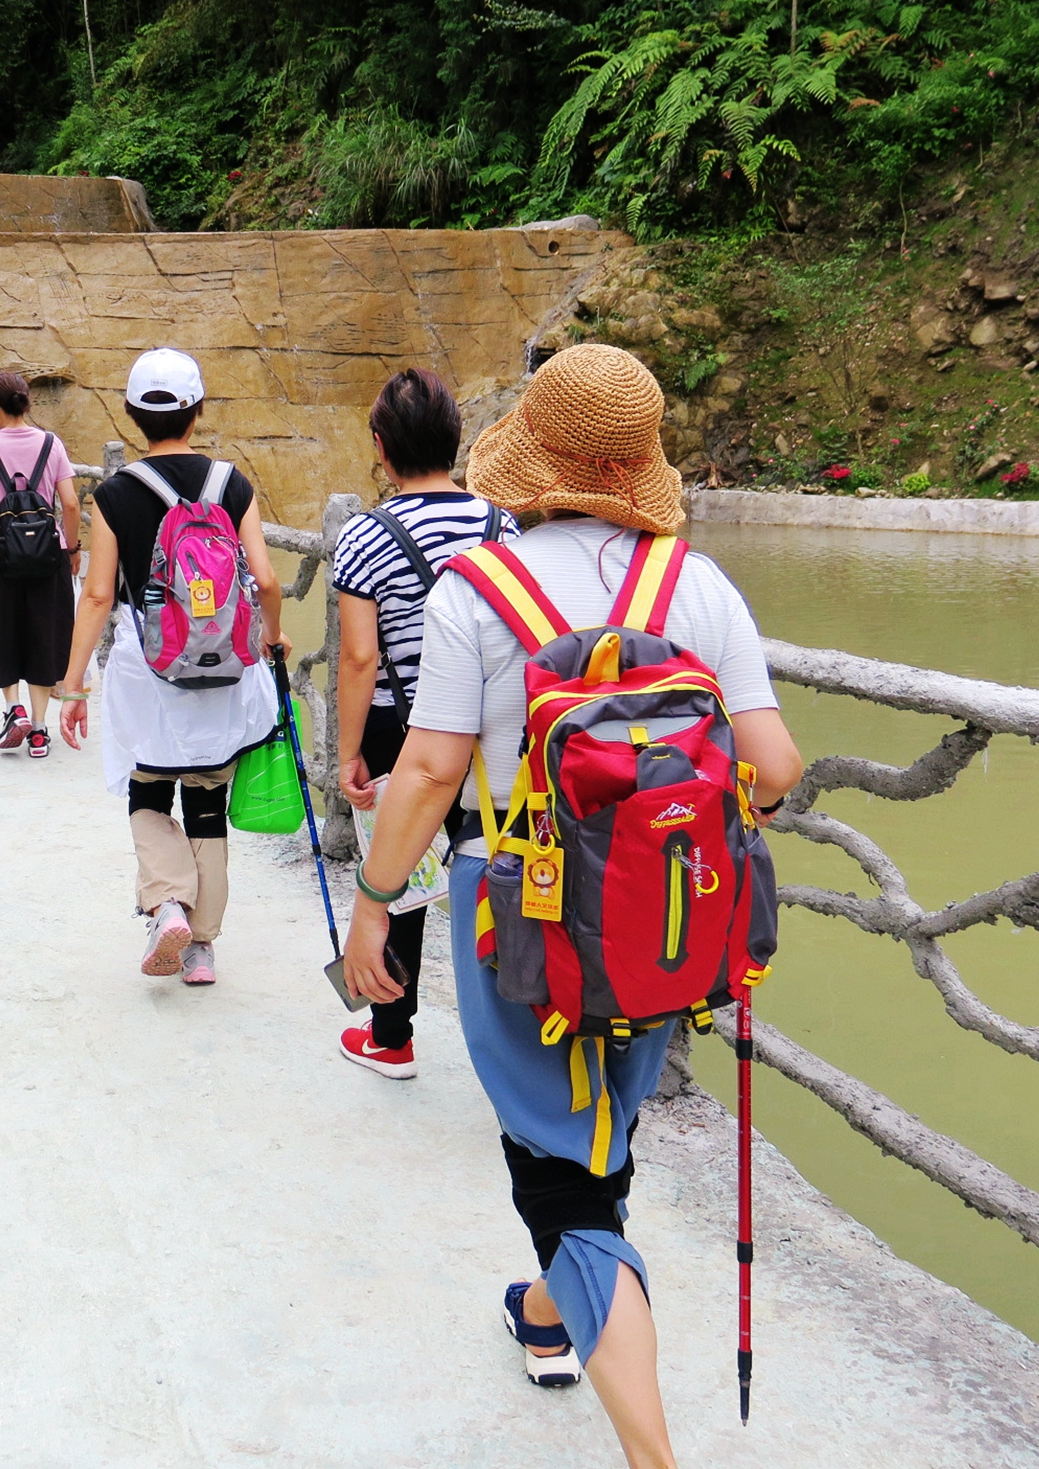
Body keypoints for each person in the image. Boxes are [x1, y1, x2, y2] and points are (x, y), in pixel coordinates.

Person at [345, 344, 803, 1461]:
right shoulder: (693, 582)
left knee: (564, 1186)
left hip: (522, 916)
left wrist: (375, 900)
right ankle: (550, 1311)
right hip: (669, 920)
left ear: (531, 457)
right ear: (638, 467)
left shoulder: (478, 593)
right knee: (598, 1130)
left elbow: (428, 771)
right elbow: (775, 768)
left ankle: (650, 1447)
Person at [58, 347, 290, 987]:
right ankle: (203, 949)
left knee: (149, 787)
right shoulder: (231, 483)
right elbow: (265, 580)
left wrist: (73, 685)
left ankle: (165, 906)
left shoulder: (113, 494)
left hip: (150, 669)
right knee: (207, 798)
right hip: (224, 668)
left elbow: (100, 597)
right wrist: (271, 638)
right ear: (198, 410)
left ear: (133, 414)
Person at [330, 368, 518, 1080]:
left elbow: (357, 655)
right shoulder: (502, 524)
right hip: (492, 730)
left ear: (381, 449)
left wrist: (349, 752)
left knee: (396, 875)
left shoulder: (363, 536)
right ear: (457, 439)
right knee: (502, 868)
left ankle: (391, 1036)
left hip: (395, 725)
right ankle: (516, 1045)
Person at [0, 371, 81, 759]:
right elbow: (71, 504)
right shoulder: (52, 443)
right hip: (49, 553)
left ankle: (15, 710)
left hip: (1, 554)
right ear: (26, 403)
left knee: (4, 630)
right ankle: (41, 731)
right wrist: (72, 548)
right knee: (45, 634)